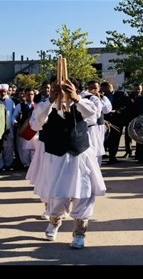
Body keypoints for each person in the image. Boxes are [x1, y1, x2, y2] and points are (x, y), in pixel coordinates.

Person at [26, 79, 106, 249]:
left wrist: (75, 97)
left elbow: (93, 115)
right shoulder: (46, 106)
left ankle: (79, 233)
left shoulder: (84, 102)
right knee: (57, 194)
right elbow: (36, 123)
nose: (62, 91)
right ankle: (54, 222)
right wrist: (50, 100)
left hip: (79, 155)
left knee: (83, 194)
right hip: (56, 156)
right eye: (58, 88)